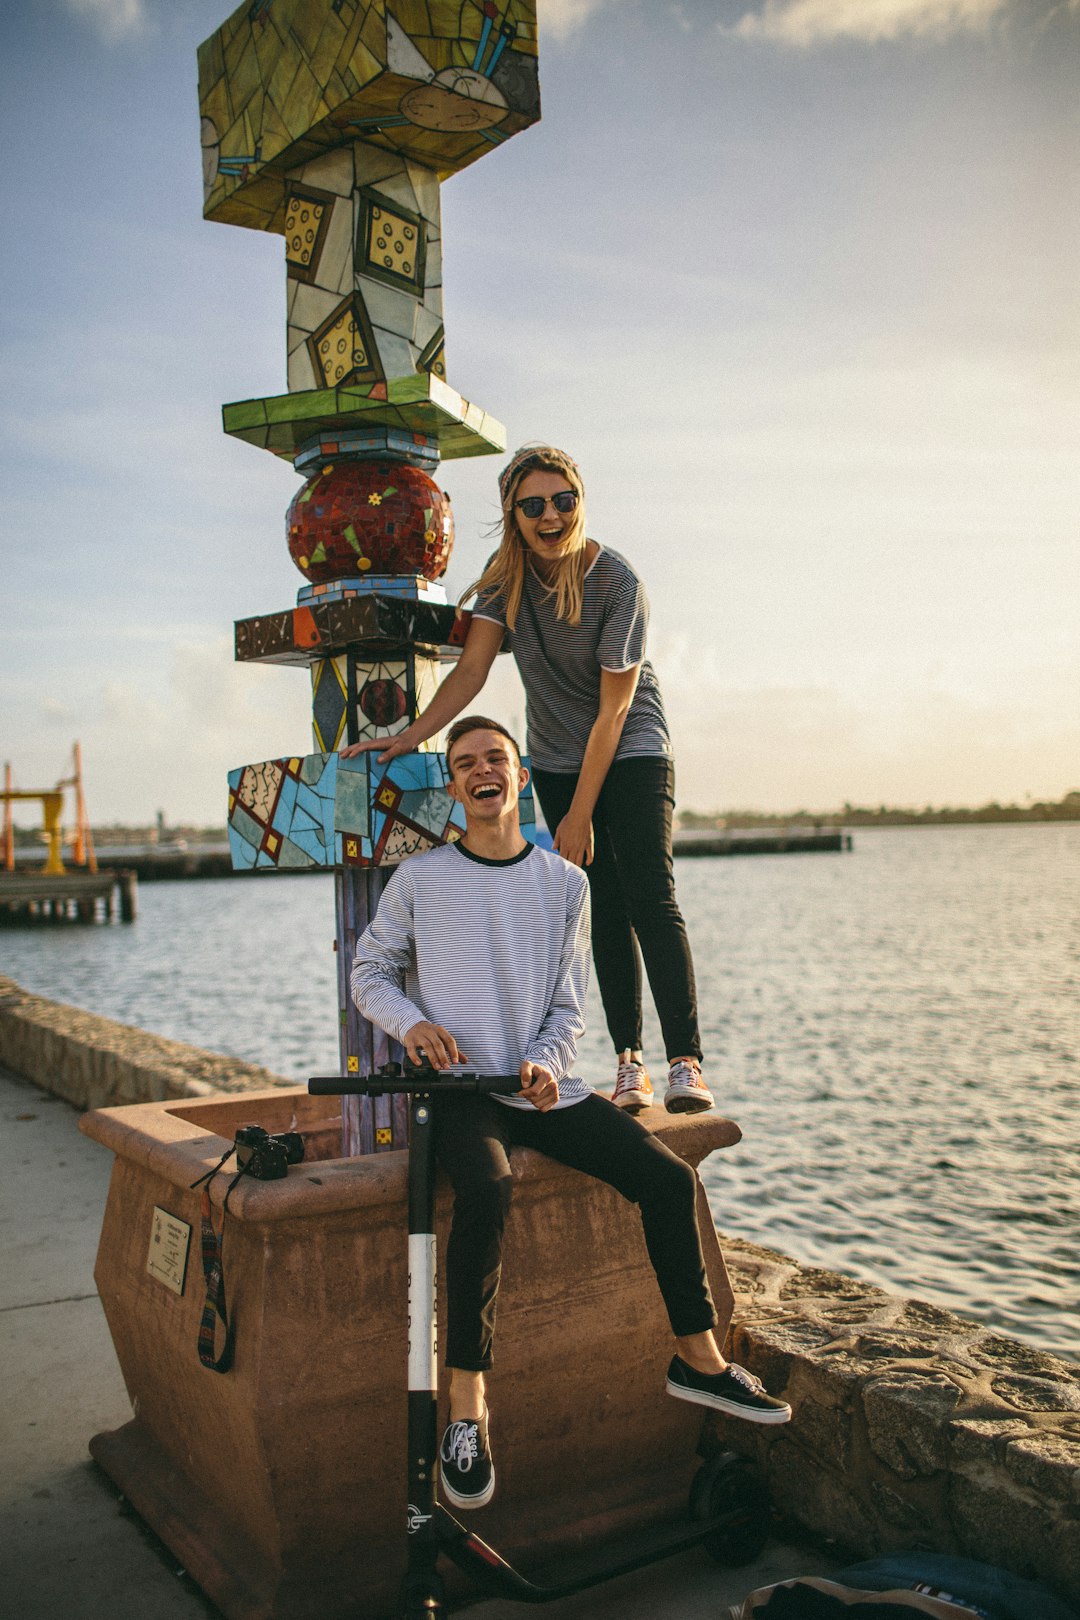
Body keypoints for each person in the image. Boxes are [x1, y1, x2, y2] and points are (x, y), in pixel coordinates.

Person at [350, 716, 792, 1512]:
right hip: (460, 1093)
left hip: (544, 1088)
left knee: (665, 1180)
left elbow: (568, 1004)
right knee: (485, 1191)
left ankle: (697, 1360)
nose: (481, 772)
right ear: (454, 789)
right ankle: (467, 1411)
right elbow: (369, 971)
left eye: (496, 760)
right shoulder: (420, 880)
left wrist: (550, 1066)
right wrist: (411, 1024)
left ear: (519, 780)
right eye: (464, 765)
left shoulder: (566, 883)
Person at [342, 445, 711, 1117]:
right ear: (513, 513)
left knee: (649, 891)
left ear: (580, 501)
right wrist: (410, 735)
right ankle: (630, 1063)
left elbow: (615, 708)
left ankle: (685, 1060)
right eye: (534, 505)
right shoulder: (504, 586)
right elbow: (472, 673)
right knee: (603, 900)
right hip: (558, 755)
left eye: (564, 501)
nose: (552, 516)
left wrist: (579, 815)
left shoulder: (617, 580)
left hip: (629, 744)